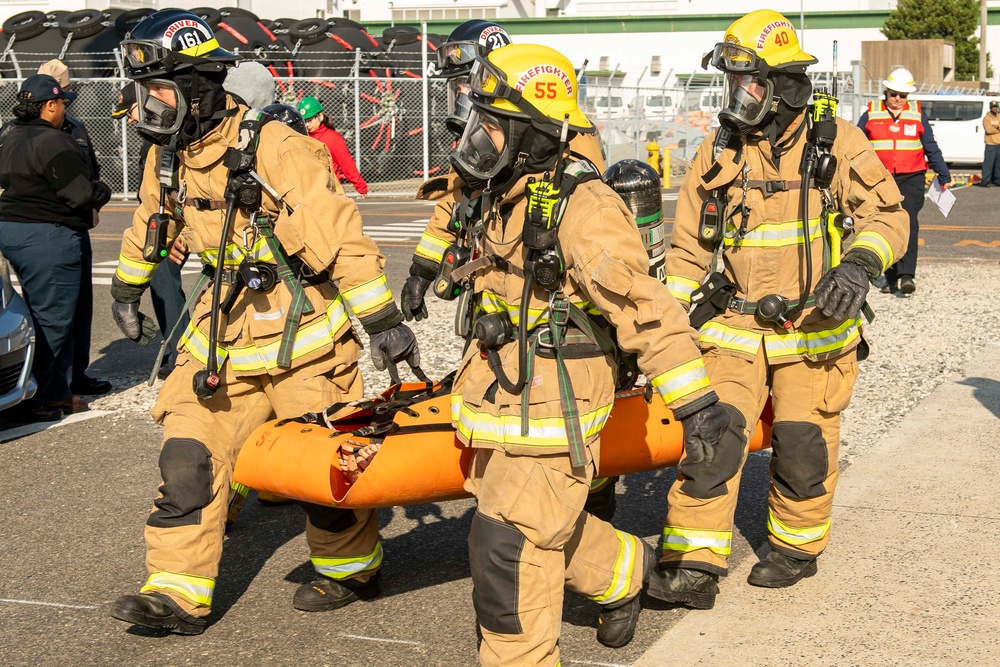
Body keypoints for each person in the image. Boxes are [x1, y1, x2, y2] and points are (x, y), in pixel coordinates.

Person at [106, 10, 419, 635]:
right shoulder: (167, 155)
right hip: (220, 339)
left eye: (158, 89)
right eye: (143, 91)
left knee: (322, 471)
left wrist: (382, 319)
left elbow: (337, 235)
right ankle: (175, 592)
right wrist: (127, 283)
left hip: (303, 343)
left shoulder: (276, 147)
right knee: (187, 460)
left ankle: (351, 568)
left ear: (197, 87)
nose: (147, 105)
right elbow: (152, 220)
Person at [450, 43, 728, 663]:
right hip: (501, 392)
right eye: (480, 121)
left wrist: (697, 404)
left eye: (493, 124)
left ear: (532, 134)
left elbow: (645, 308)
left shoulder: (585, 208)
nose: (479, 136)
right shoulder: (505, 190)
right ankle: (625, 570)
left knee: (509, 546)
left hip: (557, 403)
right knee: (536, 517)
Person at [652, 9, 908, 610]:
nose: (738, 95)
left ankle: (795, 548)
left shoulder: (836, 142)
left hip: (814, 331)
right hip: (735, 329)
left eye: (750, 82)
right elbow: (688, 250)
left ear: (785, 85)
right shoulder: (720, 150)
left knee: (802, 448)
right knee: (711, 443)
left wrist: (860, 264)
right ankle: (692, 563)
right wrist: (663, 326)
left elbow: (887, 217)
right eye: (733, 82)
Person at [401, 21, 620, 522]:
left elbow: (577, 203)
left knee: (560, 413)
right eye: (458, 87)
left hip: (544, 301)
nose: (461, 96)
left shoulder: (555, 131)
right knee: (490, 391)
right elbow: (454, 205)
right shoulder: (485, 131)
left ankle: (590, 498)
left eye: (466, 84)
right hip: (494, 296)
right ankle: (505, 505)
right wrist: (422, 268)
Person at [0, 74, 111, 422]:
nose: (64, 108)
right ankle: (37, 398)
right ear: (49, 106)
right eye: (62, 102)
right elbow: (82, 193)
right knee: (54, 321)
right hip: (47, 236)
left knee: (43, 315)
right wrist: (103, 192)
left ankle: (58, 393)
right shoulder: (53, 141)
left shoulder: (9, 136)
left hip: (13, 231)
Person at [37, 59, 112, 400]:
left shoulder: (76, 128)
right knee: (55, 311)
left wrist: (93, 205)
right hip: (48, 226)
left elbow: (91, 169)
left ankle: (76, 374)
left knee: (81, 306)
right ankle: (54, 382)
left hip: (77, 222)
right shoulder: (23, 131)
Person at [112, 82, 189, 380]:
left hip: (165, 232)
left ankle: (181, 355)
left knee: (167, 292)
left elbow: (175, 195)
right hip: (161, 228)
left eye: (131, 111)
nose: (130, 120)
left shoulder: (161, 140)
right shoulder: (154, 138)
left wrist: (175, 235)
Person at [858, 66, 950, 295]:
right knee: (883, 224)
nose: (898, 99)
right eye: (894, 94)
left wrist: (943, 173)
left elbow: (930, 146)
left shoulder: (917, 113)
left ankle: (907, 275)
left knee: (908, 223)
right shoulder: (871, 112)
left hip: (912, 177)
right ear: (886, 92)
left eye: (903, 95)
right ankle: (889, 277)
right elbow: (856, 144)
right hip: (881, 180)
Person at [297, 96, 369, 198]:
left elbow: (346, 164)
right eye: (304, 121)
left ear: (320, 116)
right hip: (306, 192)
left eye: (310, 120)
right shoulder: (301, 137)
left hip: (328, 192)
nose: (307, 125)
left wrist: (360, 186)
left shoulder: (333, 138)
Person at [981, 100, 1000, 187]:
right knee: (988, 164)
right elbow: (989, 130)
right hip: (990, 144)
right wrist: (998, 129)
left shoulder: (999, 116)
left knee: (998, 164)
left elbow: (995, 128)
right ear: (990, 108)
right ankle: (985, 180)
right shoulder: (987, 118)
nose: (995, 108)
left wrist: (997, 127)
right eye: (993, 107)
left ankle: (997, 180)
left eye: (996, 107)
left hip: (999, 143)